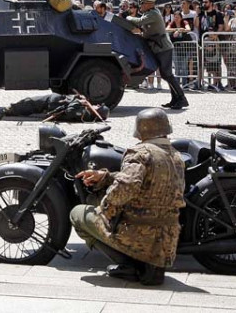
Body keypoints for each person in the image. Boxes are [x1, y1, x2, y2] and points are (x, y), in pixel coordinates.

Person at [69, 108, 185, 285]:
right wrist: (106, 177)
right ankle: (147, 266)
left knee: (78, 213)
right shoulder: (176, 156)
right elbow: (150, 181)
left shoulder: (139, 153)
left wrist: (104, 209)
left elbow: (125, 188)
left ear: (140, 130)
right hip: (166, 240)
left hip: (139, 234)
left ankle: (129, 265)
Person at [124, 0, 188, 109]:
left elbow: (139, 22)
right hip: (159, 48)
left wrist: (128, 17)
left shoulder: (153, 14)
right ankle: (175, 99)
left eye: (143, 4)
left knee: (167, 74)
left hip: (163, 48)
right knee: (166, 74)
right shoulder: (148, 13)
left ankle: (181, 99)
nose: (141, 6)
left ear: (149, 4)